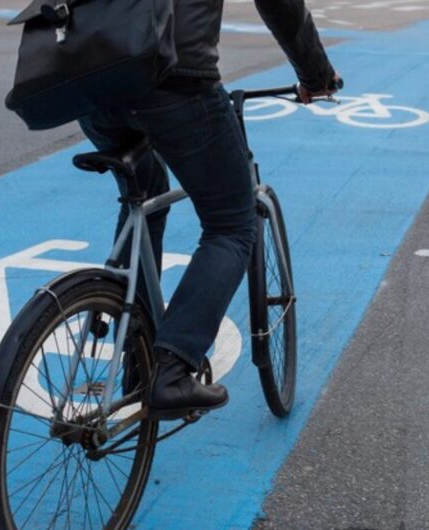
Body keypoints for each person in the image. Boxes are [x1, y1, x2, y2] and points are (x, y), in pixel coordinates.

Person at [78, 0, 339, 420]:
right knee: (231, 225)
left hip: (90, 77)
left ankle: (137, 354)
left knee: (144, 195)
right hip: (173, 76)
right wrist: (316, 75)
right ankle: (171, 367)